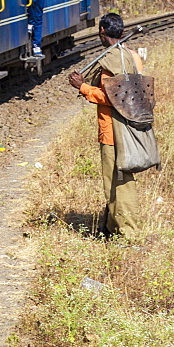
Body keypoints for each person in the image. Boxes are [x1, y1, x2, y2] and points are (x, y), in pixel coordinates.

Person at [67, 13, 144, 237]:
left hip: (114, 131)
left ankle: (129, 234)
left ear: (102, 32)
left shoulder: (112, 60)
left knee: (119, 182)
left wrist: (82, 87)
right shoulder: (128, 56)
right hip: (127, 127)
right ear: (120, 33)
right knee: (114, 182)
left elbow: (115, 96)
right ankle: (110, 229)